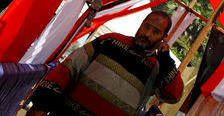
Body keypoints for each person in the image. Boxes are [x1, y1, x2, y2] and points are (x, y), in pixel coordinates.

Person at [27, 11, 184, 116]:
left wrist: (166, 60)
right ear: (142, 23)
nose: (147, 34)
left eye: (155, 32)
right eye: (146, 27)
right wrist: (40, 105)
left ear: (164, 37)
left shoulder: (158, 68)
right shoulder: (110, 40)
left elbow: (174, 96)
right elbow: (68, 68)